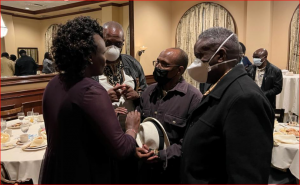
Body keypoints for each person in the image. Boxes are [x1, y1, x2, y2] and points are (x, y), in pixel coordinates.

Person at [39, 16, 140, 184]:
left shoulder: (53, 83)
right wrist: (131, 129)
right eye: (102, 53)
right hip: (85, 173)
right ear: (90, 57)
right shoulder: (91, 90)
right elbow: (121, 149)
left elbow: (74, 127)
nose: (106, 58)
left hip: (59, 170)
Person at [181, 28, 274, 183]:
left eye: (200, 57)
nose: (196, 63)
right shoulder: (220, 85)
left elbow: (246, 176)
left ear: (221, 56)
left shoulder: (245, 98)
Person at [136, 48, 203, 184]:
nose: (158, 67)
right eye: (157, 62)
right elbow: (137, 124)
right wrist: (135, 147)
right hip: (144, 170)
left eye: (164, 64)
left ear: (179, 70)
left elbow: (190, 142)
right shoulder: (148, 91)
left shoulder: (193, 98)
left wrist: (160, 155)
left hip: (173, 172)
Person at [94, 21, 147, 130]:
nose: (112, 47)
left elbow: (146, 92)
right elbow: (82, 101)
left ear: (123, 43)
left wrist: (137, 95)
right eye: (108, 42)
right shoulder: (91, 66)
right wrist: (104, 98)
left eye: (118, 44)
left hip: (132, 129)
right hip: (103, 130)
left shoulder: (132, 63)